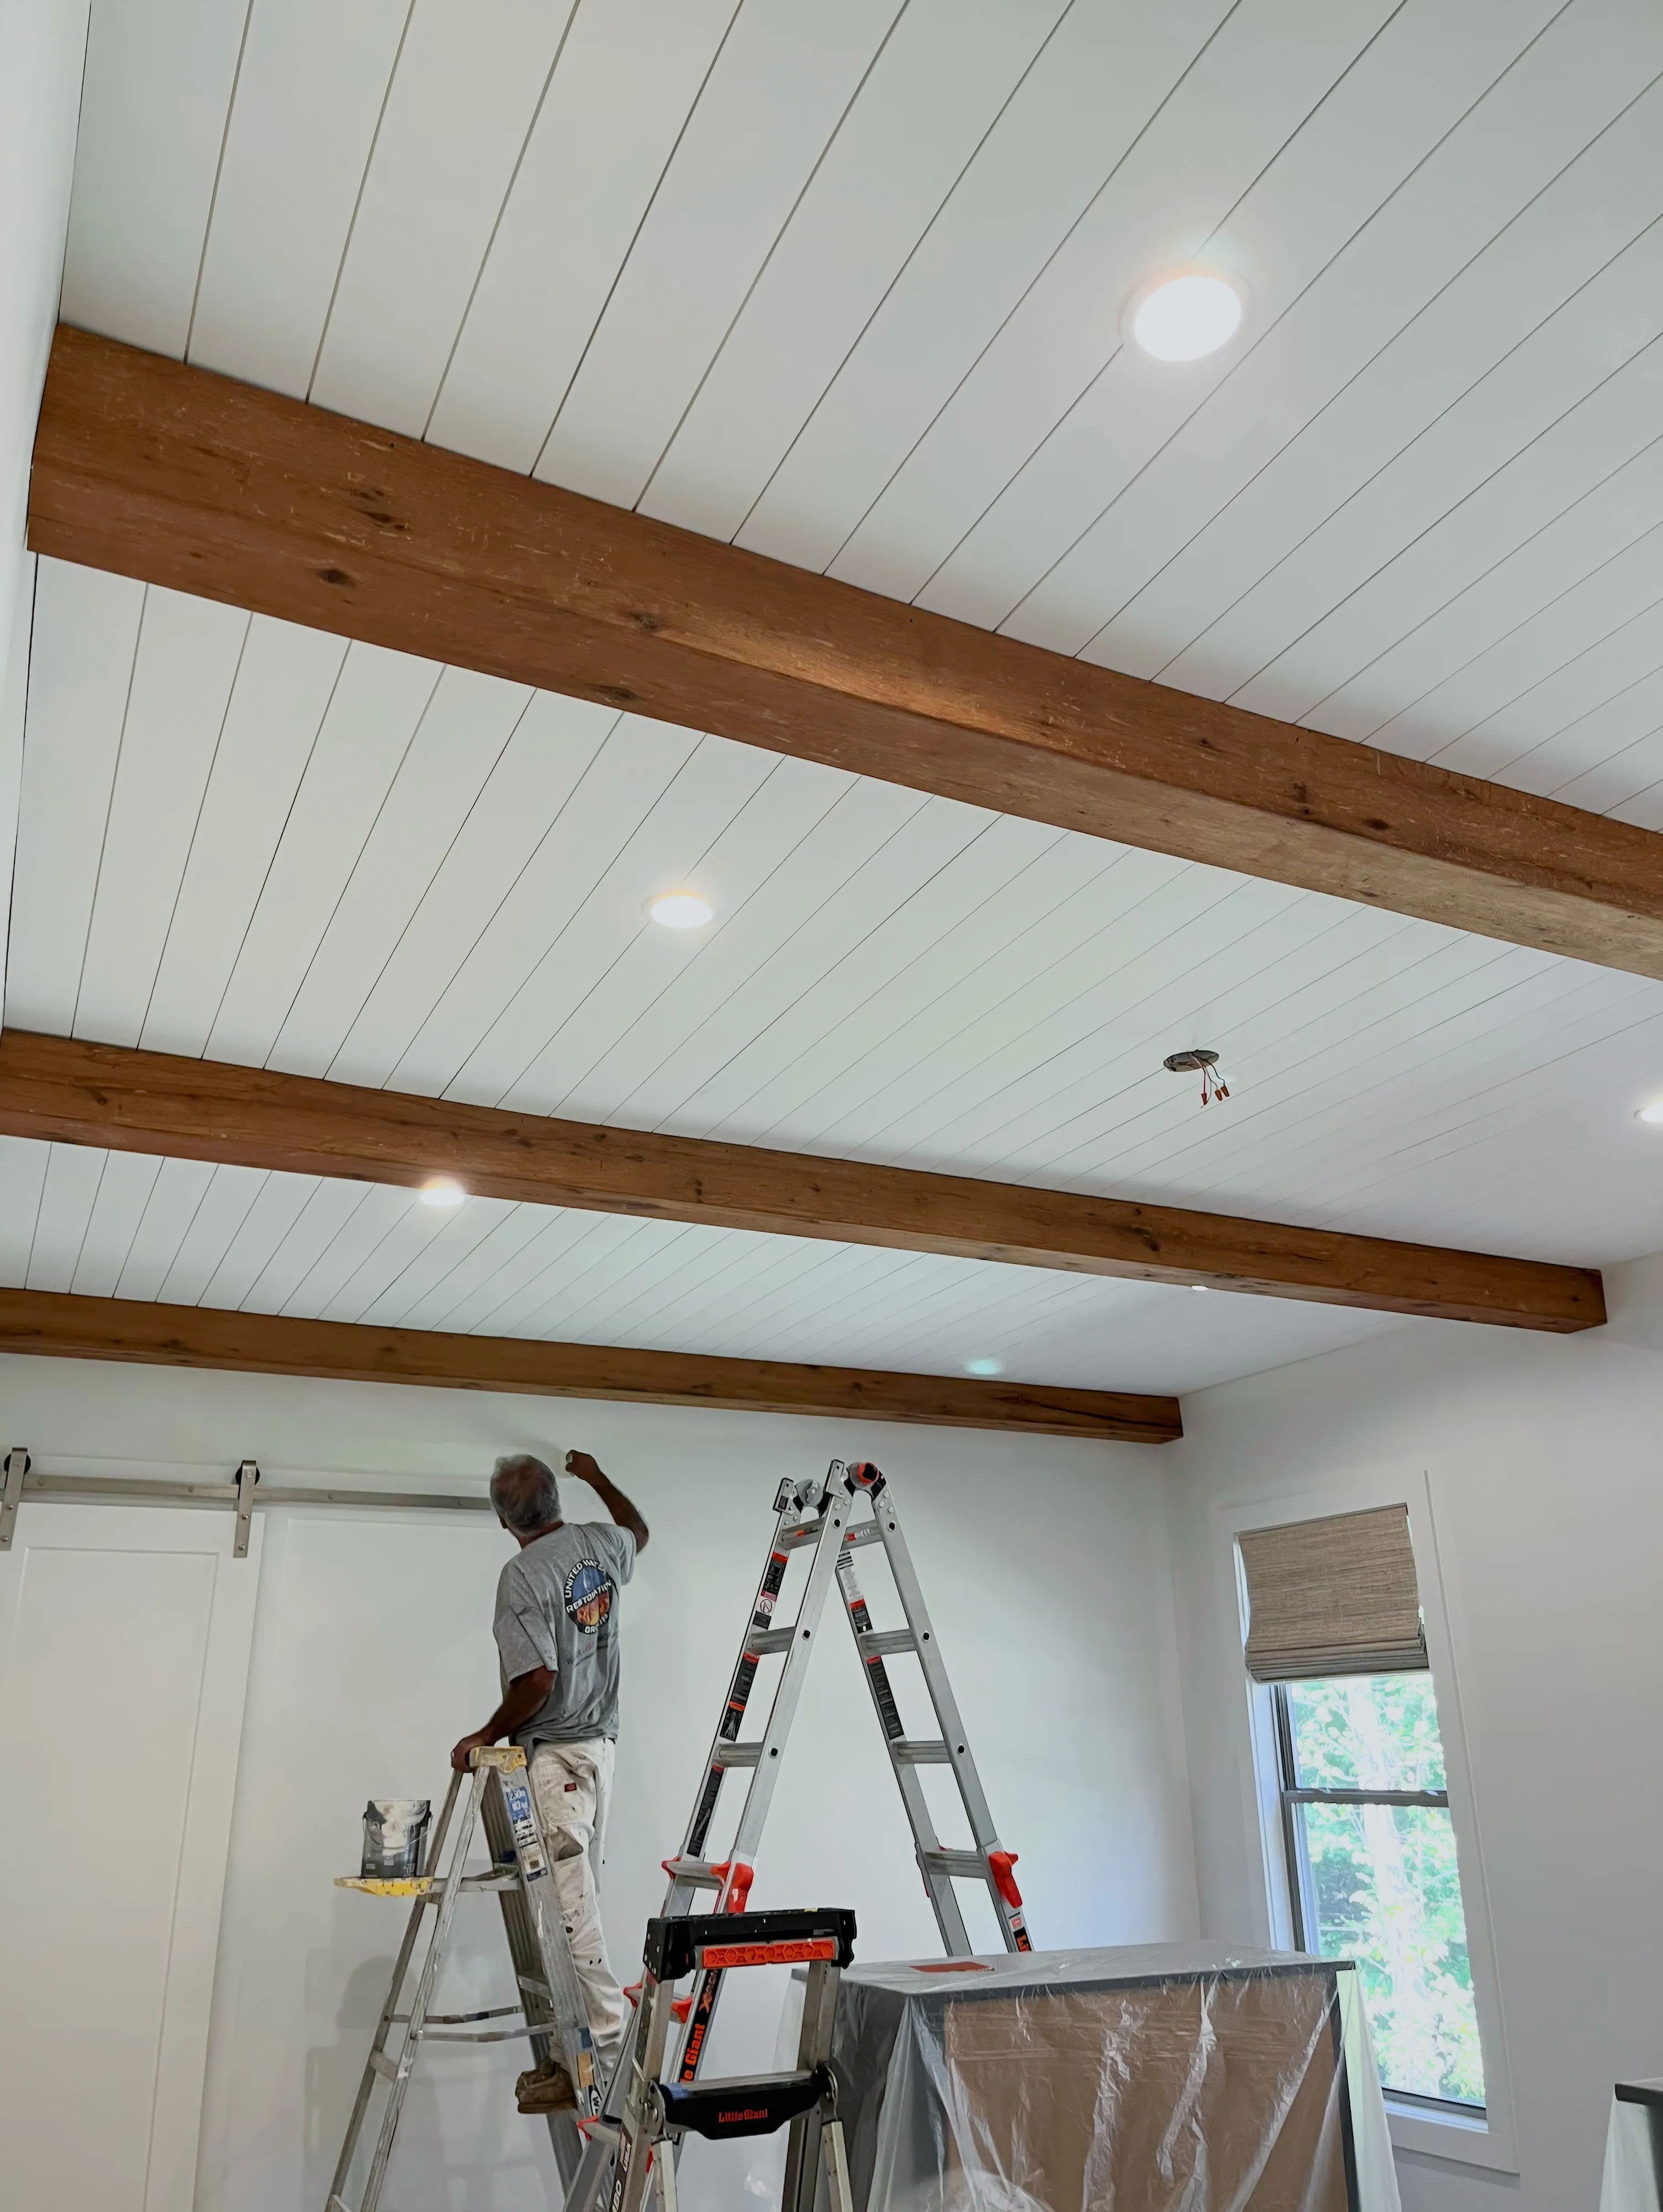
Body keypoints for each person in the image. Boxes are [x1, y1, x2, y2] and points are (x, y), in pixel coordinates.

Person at [450, 1447, 648, 2110]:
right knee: (572, 1902)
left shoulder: (521, 1576)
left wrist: (485, 1733)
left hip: (559, 1754)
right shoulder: (599, 1543)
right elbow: (637, 1532)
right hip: (600, 1748)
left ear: (506, 1521)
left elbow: (539, 1680)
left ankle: (606, 2061)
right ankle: (575, 2059)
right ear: (558, 1503)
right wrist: (598, 1476)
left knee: (567, 1912)